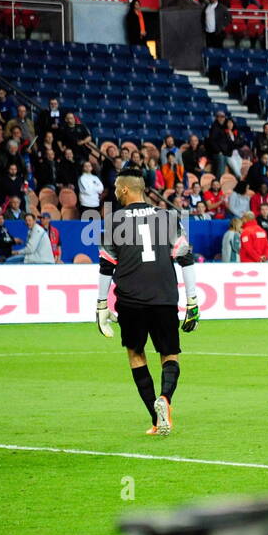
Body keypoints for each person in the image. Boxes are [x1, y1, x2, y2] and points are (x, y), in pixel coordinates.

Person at [95, 167, 198, 436]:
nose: (116, 191)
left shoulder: (115, 220)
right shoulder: (167, 217)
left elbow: (106, 265)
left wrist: (101, 305)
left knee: (136, 354)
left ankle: (156, 419)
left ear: (126, 189)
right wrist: (193, 300)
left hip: (130, 300)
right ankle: (165, 398)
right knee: (169, 354)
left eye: (117, 187)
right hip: (164, 297)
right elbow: (185, 258)